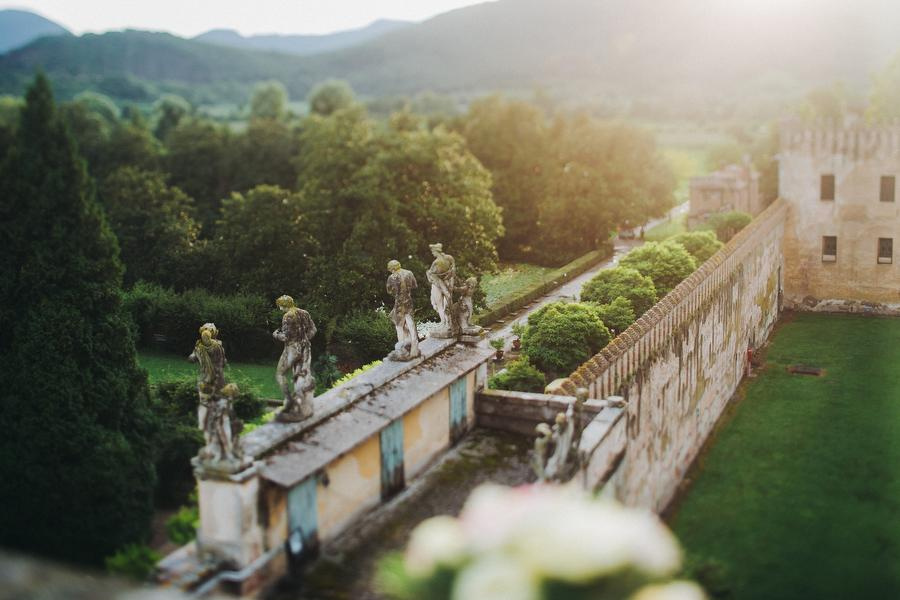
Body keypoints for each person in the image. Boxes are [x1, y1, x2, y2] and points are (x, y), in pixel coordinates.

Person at [273, 295, 316, 420]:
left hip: (292, 349)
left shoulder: (287, 316)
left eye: (280, 306)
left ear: (284, 305)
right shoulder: (304, 313)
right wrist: (305, 340)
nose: (280, 308)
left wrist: (276, 334)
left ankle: (289, 400)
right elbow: (313, 329)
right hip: (306, 348)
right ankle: (303, 407)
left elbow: (285, 337)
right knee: (300, 375)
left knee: (280, 374)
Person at [188, 322, 226, 433]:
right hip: (216, 378)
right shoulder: (218, 346)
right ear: (215, 334)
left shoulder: (199, 347)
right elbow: (223, 362)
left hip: (206, 377)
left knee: (205, 402)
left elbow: (191, 358)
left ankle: (205, 426)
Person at [386, 260, 421, 361]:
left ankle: (401, 348)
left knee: (398, 325)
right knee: (410, 322)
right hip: (408, 301)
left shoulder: (392, 277)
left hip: (399, 303)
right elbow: (415, 285)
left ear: (392, 269)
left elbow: (389, 291)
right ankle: (415, 344)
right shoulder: (409, 273)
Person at [426, 242, 456, 337]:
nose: (432, 253)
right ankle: (449, 323)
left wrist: (428, 273)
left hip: (437, 285)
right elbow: (453, 270)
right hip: (448, 283)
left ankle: (444, 323)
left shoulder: (436, 262)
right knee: (447, 303)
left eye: (433, 251)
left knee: (439, 305)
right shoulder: (449, 258)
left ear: (436, 251)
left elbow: (431, 276)